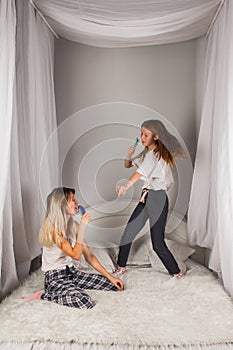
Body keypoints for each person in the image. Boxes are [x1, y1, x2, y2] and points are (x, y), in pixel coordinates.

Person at [115, 119, 185, 278]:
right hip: (146, 197)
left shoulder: (157, 155)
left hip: (158, 198)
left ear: (156, 137)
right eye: (141, 133)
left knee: (157, 242)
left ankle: (176, 272)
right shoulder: (147, 153)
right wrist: (129, 155)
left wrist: (125, 186)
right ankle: (121, 266)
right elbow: (128, 165)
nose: (142, 137)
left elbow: (140, 173)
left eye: (146, 134)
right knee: (128, 234)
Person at [38, 187, 124, 309]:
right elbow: (76, 255)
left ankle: (71, 288)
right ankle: (45, 295)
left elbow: (89, 256)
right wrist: (83, 227)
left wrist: (111, 277)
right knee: (84, 301)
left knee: (114, 285)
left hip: (71, 273)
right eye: (72, 200)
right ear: (62, 205)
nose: (77, 203)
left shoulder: (74, 226)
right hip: (55, 277)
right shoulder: (54, 230)